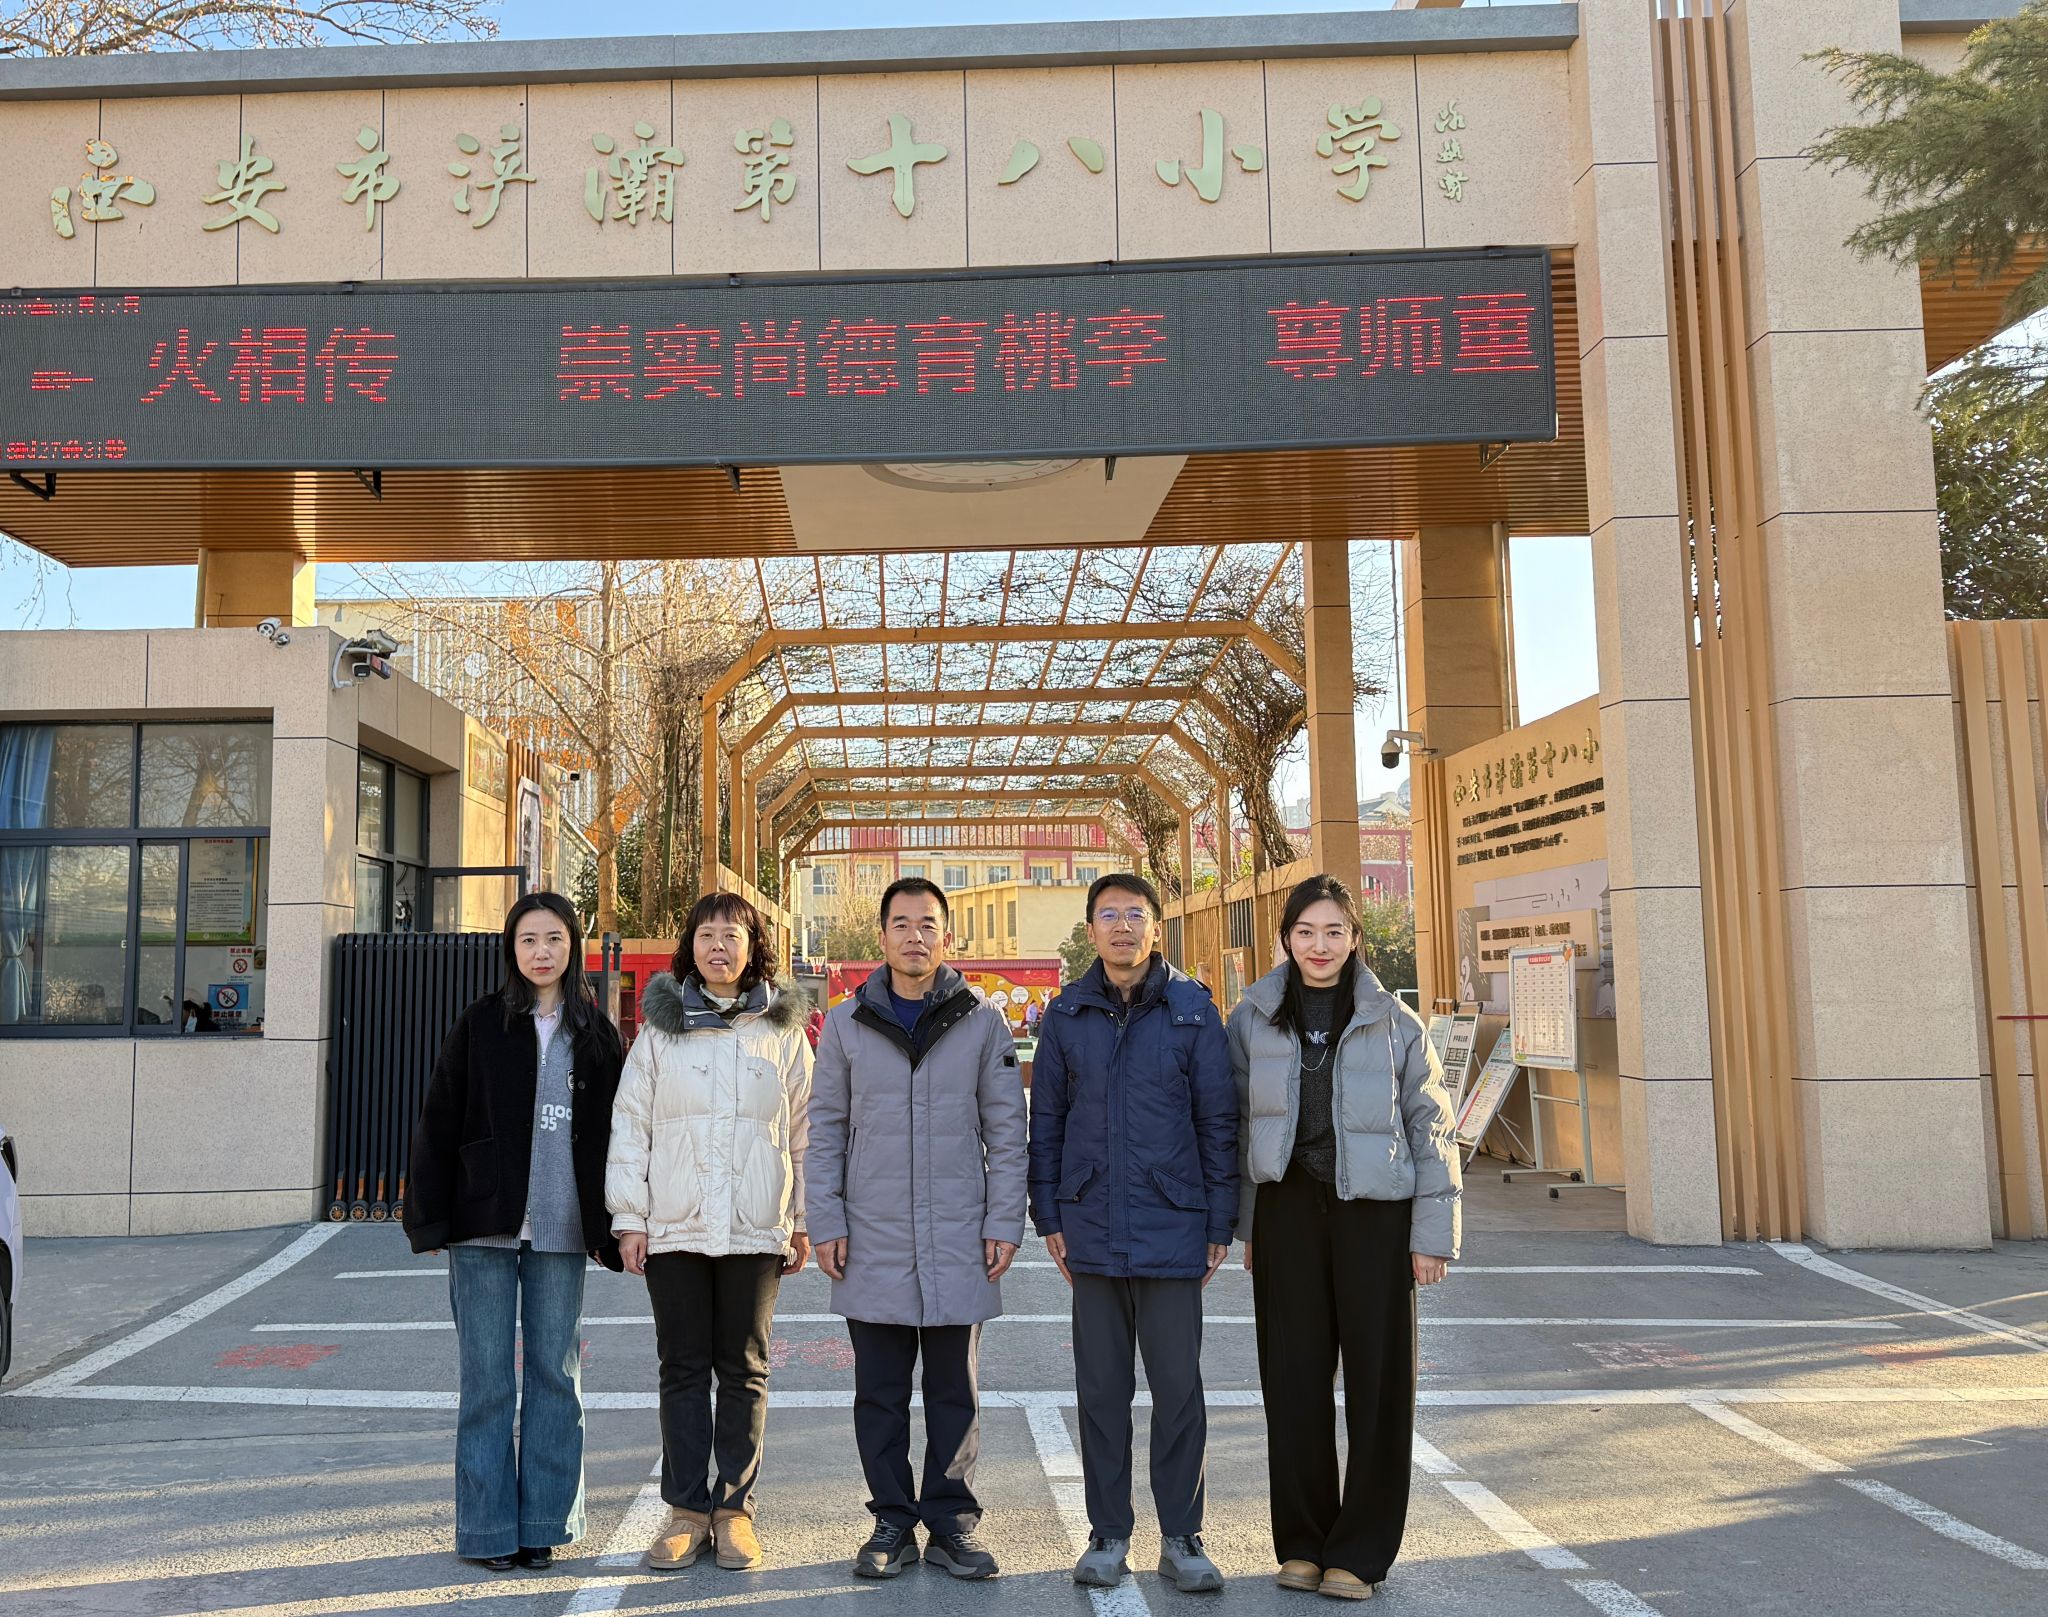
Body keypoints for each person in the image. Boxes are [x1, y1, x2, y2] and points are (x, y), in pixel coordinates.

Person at [1229, 874, 1461, 1602]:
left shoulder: (1395, 1020)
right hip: (1287, 1209)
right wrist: (1248, 1227)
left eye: (1334, 931)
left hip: (1375, 1214)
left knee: (1378, 1385)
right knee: (1292, 1380)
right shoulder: (1253, 1017)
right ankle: (1302, 1542)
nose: (1319, 945)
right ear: (1285, 939)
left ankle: (1360, 1550)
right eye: (1305, 932)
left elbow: (1432, 1126)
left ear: (1355, 938)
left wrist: (1432, 1235)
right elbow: (1239, 1125)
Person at [806, 876, 1028, 1582]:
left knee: (954, 1390)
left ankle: (952, 1521)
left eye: (928, 923)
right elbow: (825, 1129)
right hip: (870, 1233)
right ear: (881, 937)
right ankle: (892, 1522)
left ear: (947, 936)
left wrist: (1003, 1220)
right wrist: (826, 1219)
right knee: (879, 1391)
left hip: (959, 1232)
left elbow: (1007, 1130)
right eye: (901, 923)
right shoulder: (846, 1023)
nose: (914, 936)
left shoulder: (982, 1021)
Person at [1028, 873, 1237, 1595]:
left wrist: (1219, 1219)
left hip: (1173, 1224)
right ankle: (1108, 1533)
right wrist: (1049, 1215)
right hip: (1090, 1223)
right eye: (1110, 915)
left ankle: (1181, 1535)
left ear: (1156, 928)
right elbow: (1046, 1123)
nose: (1123, 926)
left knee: (1178, 1389)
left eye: (1136, 914)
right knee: (1101, 1389)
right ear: (1091, 930)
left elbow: (1218, 1121)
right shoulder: (1067, 1014)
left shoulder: (1193, 1010)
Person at [404, 891, 625, 1573]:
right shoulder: (481, 1022)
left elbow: (617, 1137)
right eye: (528, 939)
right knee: (487, 1380)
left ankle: (545, 1522)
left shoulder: (596, 1034)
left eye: (553, 938)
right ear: (511, 949)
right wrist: (430, 1215)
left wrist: (613, 1224)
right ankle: (489, 1527)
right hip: (483, 1223)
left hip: (564, 1226)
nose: (540, 952)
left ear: (573, 946)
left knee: (557, 1375)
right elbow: (440, 1116)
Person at [606, 891, 814, 1573]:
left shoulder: (782, 1032)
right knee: (683, 1369)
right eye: (706, 935)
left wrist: (804, 1219)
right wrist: (629, 1218)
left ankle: (734, 1511)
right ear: (689, 947)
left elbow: (807, 1130)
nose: (719, 946)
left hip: (756, 1227)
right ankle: (687, 1511)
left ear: (755, 947)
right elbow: (630, 1127)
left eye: (732, 934)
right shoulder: (660, 1032)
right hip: (675, 1226)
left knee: (746, 1370)